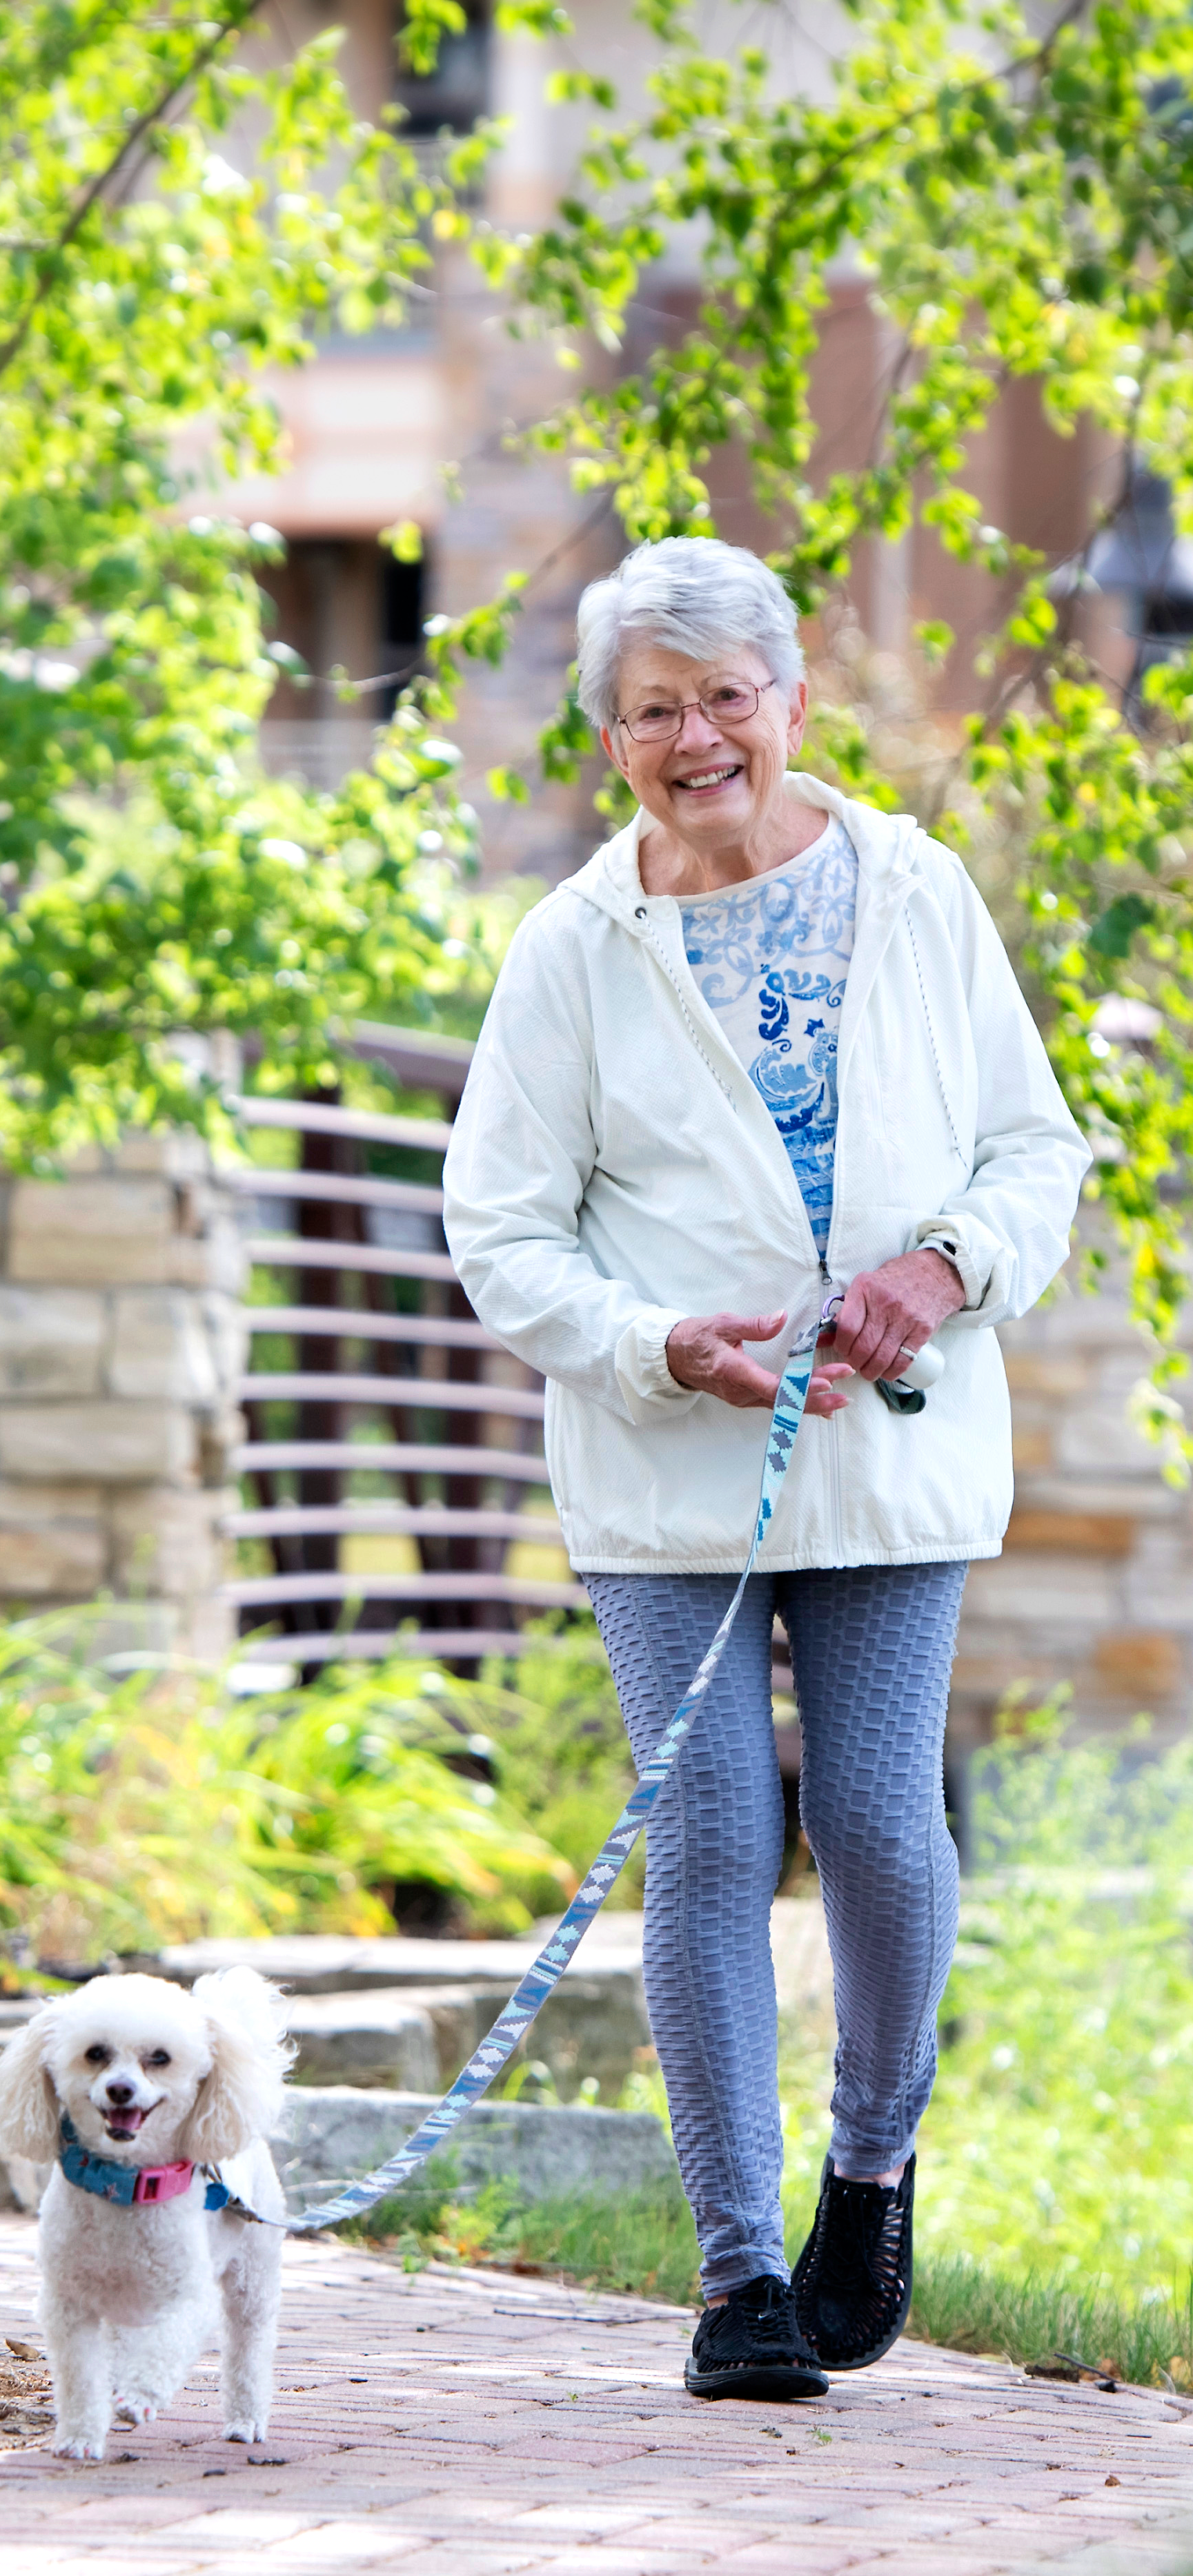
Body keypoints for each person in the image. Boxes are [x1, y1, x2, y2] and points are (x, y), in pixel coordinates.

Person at [443, 536, 1090, 2401]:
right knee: (715, 1835)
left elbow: (1028, 1149)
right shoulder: (571, 944)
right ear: (609, 738)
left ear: (793, 706)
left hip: (888, 1452)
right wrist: (656, 1344)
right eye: (654, 708)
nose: (696, 737)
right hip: (670, 1469)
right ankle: (734, 2275)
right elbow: (499, 1225)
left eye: (728, 697)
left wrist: (938, 1266)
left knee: (881, 1824)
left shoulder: (913, 891)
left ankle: (866, 2172)